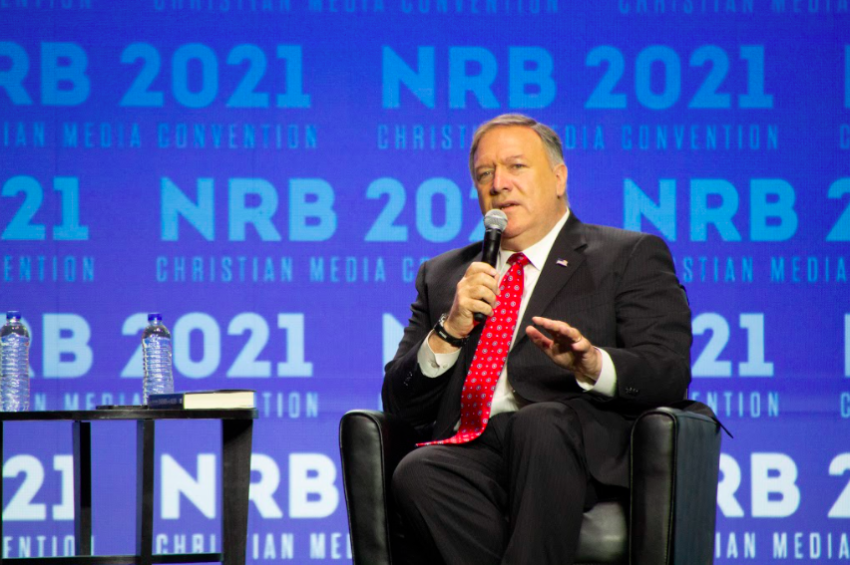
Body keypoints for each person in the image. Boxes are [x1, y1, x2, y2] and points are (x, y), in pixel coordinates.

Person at [381, 114, 692, 565]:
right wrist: (449, 328)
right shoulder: (445, 275)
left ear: (560, 178)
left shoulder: (627, 256)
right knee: (417, 470)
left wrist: (594, 366)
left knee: (539, 423)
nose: (499, 184)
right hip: (474, 448)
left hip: (571, 447)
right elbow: (398, 402)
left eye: (516, 167)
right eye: (484, 174)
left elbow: (667, 371)